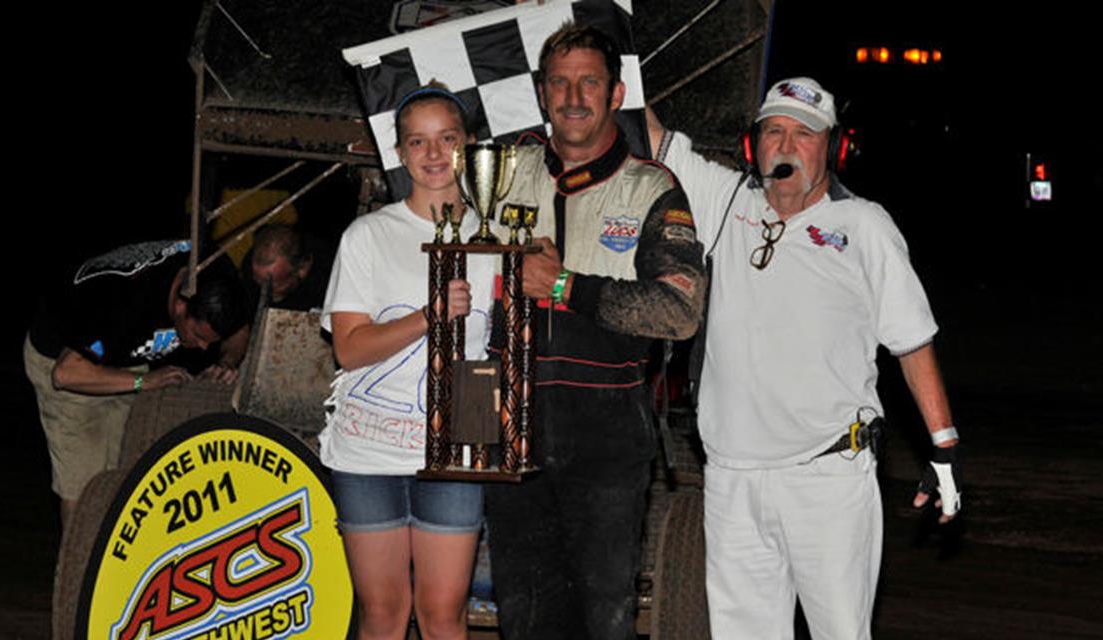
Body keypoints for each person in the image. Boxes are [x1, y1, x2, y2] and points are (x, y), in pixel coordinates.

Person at [648, 77, 963, 638]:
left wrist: (944, 446)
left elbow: (912, 340)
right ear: (754, 146)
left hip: (828, 478)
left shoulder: (864, 226)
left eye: (804, 133)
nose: (786, 145)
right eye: (773, 131)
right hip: (733, 479)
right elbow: (649, 134)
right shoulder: (725, 202)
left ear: (832, 147)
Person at [483, 23, 706, 640]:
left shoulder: (651, 187)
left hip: (605, 436)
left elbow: (678, 312)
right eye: (559, 82)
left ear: (616, 93)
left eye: (589, 82)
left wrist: (565, 286)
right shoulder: (500, 171)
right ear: (540, 92)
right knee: (523, 617)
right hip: (510, 426)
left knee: (603, 619)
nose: (573, 97)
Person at [320, 83, 495, 640]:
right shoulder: (368, 235)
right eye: (417, 142)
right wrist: (430, 315)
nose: (434, 154)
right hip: (368, 449)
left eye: (447, 138)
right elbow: (348, 349)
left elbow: (505, 350)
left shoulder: (499, 236)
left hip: (455, 445)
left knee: (444, 615)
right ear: (399, 153)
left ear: (468, 145)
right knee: (383, 614)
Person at [24, 239, 251, 530]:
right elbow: (66, 374)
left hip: (127, 354)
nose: (204, 348)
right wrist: (143, 381)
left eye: (211, 340)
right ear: (180, 306)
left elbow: (240, 329)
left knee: (126, 472)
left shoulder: (216, 272)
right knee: (86, 483)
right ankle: (77, 570)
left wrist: (228, 361)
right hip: (67, 365)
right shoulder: (120, 301)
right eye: (198, 335)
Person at [242, 223, 331, 311]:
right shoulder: (249, 270)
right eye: (259, 281)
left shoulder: (328, 272)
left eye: (273, 285)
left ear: (303, 268)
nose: (264, 291)